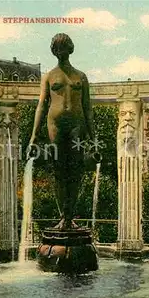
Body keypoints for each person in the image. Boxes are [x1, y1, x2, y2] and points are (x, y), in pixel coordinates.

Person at [27, 33, 95, 230]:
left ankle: (70, 215)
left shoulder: (80, 76)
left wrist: (93, 137)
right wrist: (33, 136)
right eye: (57, 48)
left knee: (75, 170)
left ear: (70, 49)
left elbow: (88, 107)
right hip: (55, 125)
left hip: (77, 125)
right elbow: (41, 105)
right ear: (54, 51)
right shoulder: (48, 76)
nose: (61, 51)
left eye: (64, 47)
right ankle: (63, 216)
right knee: (58, 170)